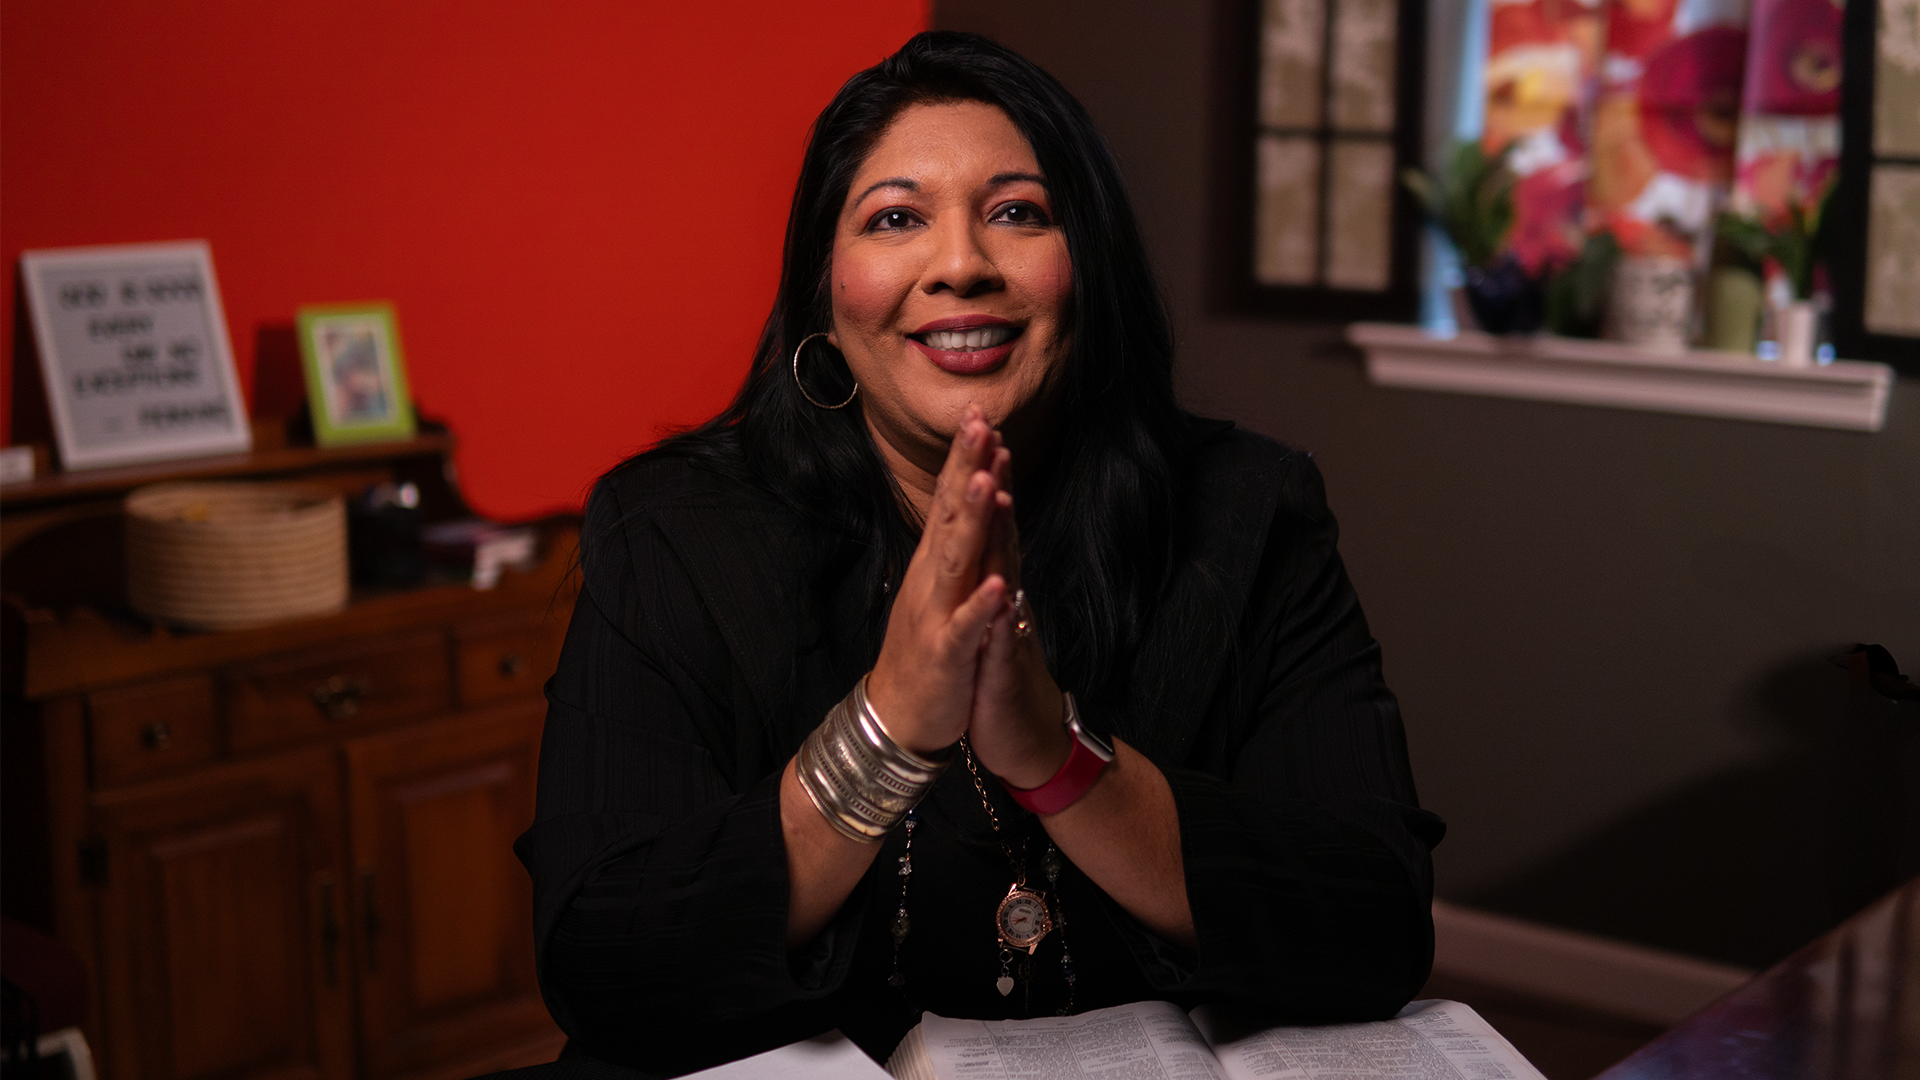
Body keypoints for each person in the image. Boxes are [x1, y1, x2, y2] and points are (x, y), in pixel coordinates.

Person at [515, 30, 1443, 1078]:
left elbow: (1376, 926)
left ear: (1086, 268)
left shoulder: (1250, 511)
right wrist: (885, 729)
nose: (960, 265)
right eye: (895, 218)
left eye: (1017, 213)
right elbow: (602, 963)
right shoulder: (670, 532)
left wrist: (1057, 760)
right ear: (826, 290)